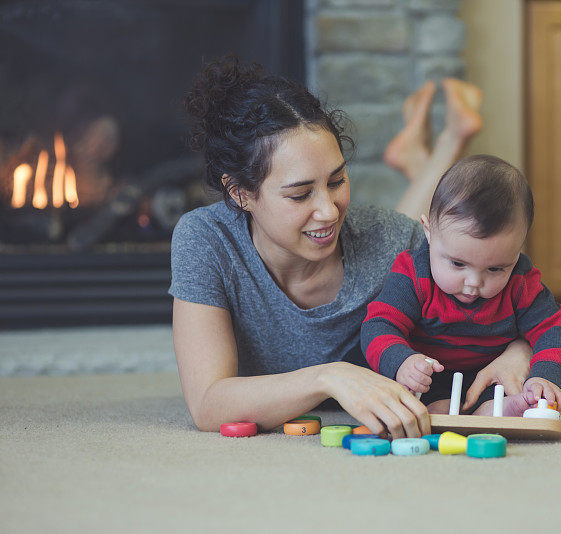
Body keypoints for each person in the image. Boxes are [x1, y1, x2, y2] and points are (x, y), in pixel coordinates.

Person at [169, 56, 533, 439]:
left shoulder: (395, 242)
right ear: (240, 192)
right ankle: (429, 152)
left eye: (337, 180)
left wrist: (520, 351)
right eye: (300, 194)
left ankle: (427, 152)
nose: (328, 211)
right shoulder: (206, 239)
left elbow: (508, 285)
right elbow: (208, 402)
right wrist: (332, 377)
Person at [361, 155, 561, 416]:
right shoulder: (412, 273)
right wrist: (402, 362)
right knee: (422, 407)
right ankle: (452, 410)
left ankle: (505, 408)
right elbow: (379, 325)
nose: (474, 283)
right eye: (457, 264)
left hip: (492, 374)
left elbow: (554, 332)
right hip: (429, 376)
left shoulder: (521, 282)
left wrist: (546, 378)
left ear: (518, 249)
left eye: (495, 268)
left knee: (509, 392)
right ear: (429, 232)